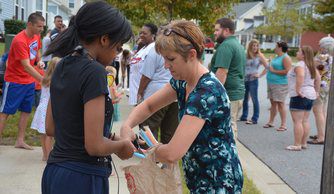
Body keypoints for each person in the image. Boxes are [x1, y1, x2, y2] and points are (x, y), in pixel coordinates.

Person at [121, 20, 243, 193]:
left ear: (192, 55)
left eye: (171, 59)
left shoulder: (206, 92)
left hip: (218, 181)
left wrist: (143, 148)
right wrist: (127, 125)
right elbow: (149, 105)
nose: (165, 65)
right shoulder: (181, 82)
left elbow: (172, 153)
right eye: (164, 58)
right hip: (199, 177)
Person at [41, 2, 135, 193]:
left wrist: (110, 137)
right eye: (117, 48)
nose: (117, 55)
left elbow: (51, 127)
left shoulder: (62, 64)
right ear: (104, 39)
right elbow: (94, 146)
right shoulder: (94, 72)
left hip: (55, 172)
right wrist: (121, 146)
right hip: (81, 177)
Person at [0, 13, 45, 150]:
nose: (41, 29)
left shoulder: (36, 36)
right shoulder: (20, 40)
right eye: (39, 26)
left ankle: (20, 140)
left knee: (26, 111)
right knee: (5, 112)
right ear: (30, 24)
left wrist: (39, 60)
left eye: (43, 27)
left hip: (29, 81)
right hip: (14, 81)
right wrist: (42, 79)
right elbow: (26, 66)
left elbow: (36, 51)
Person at [137, 23, 179, 144]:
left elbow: (146, 75)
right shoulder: (178, 49)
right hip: (175, 95)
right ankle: (167, 162)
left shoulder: (155, 50)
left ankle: (152, 160)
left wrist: (140, 93)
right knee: (169, 133)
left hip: (156, 94)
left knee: (149, 130)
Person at [210, 17, 246, 139]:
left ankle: (231, 156)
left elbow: (222, 72)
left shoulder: (226, 46)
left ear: (226, 31)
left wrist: (215, 94)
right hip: (236, 93)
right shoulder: (238, 45)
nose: (214, 33)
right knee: (230, 125)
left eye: (217, 30)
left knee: (228, 128)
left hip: (228, 94)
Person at [286, 46, 320, 151]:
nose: (297, 53)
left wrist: (298, 89)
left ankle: (297, 144)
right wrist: (317, 91)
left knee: (297, 121)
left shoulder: (300, 65)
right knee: (305, 120)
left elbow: (300, 76)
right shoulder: (311, 66)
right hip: (310, 95)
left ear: (303, 54)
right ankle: (303, 143)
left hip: (300, 95)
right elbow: (318, 78)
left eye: (299, 51)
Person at [31, 57, 61, 160]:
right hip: (49, 109)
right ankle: (49, 156)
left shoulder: (45, 79)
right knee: (50, 134)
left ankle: (45, 154)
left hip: (42, 108)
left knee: (43, 134)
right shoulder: (56, 81)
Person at [308, 35, 334, 145]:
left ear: (325, 45)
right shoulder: (330, 56)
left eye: (320, 44)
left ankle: (321, 137)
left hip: (320, 86)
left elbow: (311, 65)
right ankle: (322, 133)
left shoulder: (322, 56)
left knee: (317, 110)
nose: (318, 46)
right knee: (322, 110)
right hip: (327, 85)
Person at [263, 41, 292, 131]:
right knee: (273, 104)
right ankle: (271, 122)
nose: (274, 48)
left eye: (276, 46)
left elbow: (287, 71)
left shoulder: (286, 58)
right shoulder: (277, 57)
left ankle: (283, 125)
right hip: (271, 82)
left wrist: (273, 71)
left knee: (280, 103)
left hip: (280, 84)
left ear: (280, 48)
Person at [240, 39, 267, 124]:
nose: (255, 47)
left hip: (253, 80)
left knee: (254, 99)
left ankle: (254, 118)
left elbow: (268, 67)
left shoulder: (259, 56)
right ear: (250, 46)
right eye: (253, 45)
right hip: (245, 79)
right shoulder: (246, 55)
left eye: (256, 45)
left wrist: (259, 75)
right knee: (244, 99)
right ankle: (244, 116)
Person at [128, 26, 156, 106]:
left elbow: (147, 74)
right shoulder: (143, 48)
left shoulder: (152, 49)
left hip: (144, 96)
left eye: (144, 33)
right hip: (136, 93)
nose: (141, 35)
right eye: (140, 33)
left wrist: (140, 93)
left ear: (153, 35)